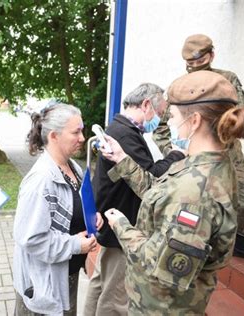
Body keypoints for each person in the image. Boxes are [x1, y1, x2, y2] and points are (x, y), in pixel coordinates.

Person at [100, 71, 244, 314]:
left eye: (172, 116)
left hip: (161, 307)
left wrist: (122, 226)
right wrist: (122, 159)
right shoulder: (206, 164)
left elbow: (161, 267)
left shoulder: (196, 193)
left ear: (194, 121)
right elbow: (162, 190)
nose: (170, 124)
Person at [154, 34, 244, 262]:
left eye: (200, 63)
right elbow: (161, 129)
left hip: (230, 153)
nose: (195, 69)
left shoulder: (226, 81)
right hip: (194, 157)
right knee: (195, 203)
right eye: (190, 65)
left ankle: (241, 241)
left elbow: (241, 114)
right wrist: (175, 152)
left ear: (211, 56)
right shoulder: (180, 87)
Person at [83, 83, 186, 316]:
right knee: (116, 296)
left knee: (101, 282)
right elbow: (149, 177)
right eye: (159, 114)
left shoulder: (121, 129)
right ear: (146, 104)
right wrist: (177, 154)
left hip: (114, 217)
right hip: (121, 222)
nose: (159, 120)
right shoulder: (125, 134)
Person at [13, 103, 103, 315]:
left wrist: (92, 216)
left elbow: (76, 205)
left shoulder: (74, 167)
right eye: (76, 132)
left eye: (82, 130)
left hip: (64, 276)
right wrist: (75, 245)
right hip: (44, 286)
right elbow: (30, 239)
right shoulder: (40, 182)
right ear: (54, 136)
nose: (82, 138)